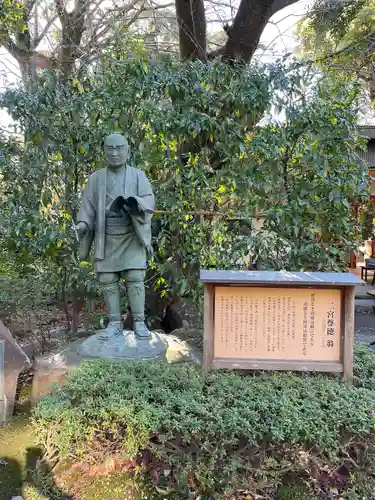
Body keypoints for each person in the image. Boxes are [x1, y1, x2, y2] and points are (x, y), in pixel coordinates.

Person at [75, 133, 154, 340]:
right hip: (106, 234)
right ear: (104, 152)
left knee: (135, 276)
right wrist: (83, 224)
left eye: (119, 148)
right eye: (110, 149)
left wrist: (136, 204)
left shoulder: (138, 176)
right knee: (108, 278)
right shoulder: (96, 178)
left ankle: (139, 322)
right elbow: (88, 207)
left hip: (131, 233)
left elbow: (149, 200)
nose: (115, 153)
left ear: (128, 151)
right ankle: (114, 323)